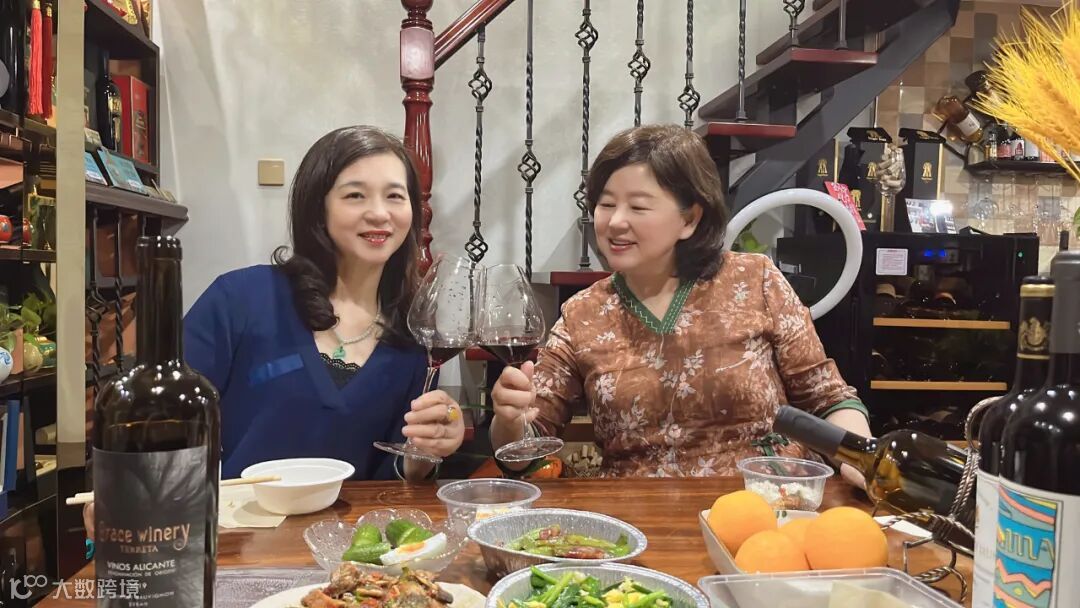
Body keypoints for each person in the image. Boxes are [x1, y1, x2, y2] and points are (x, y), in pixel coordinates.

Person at [490, 124, 870, 484]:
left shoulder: (755, 280)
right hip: (640, 514)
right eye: (606, 204)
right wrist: (509, 420)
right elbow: (528, 443)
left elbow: (828, 399)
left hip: (766, 504)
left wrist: (861, 458)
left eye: (638, 207)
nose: (615, 222)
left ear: (689, 219)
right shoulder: (582, 314)